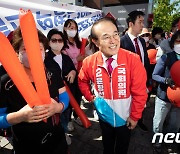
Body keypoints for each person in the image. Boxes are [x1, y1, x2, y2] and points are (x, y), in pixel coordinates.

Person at [78, 17, 148, 154]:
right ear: (95, 41)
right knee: (107, 147)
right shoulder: (89, 62)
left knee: (122, 148)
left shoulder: (133, 59)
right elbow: (82, 80)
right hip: (104, 117)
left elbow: (140, 92)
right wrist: (91, 97)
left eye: (115, 34)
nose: (113, 40)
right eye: (106, 37)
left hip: (125, 118)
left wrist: (134, 116)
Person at [0, 27, 69, 154]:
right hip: (26, 145)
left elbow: (64, 96)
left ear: (44, 52)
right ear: (16, 53)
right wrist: (19, 117)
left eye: (39, 49)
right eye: (25, 49)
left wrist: (58, 107)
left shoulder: (52, 73)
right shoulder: (5, 83)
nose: (33, 53)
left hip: (57, 141)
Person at [45, 28, 81, 144]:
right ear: (49, 41)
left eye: (60, 40)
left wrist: (73, 72)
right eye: (54, 40)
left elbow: (72, 68)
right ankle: (59, 133)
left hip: (67, 92)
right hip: (51, 95)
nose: (57, 42)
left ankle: (65, 130)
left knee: (66, 112)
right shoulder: (44, 58)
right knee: (54, 119)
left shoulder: (66, 57)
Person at [120, 10, 150, 131]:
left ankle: (139, 120)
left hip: (142, 81)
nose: (142, 25)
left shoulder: (142, 41)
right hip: (128, 84)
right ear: (131, 24)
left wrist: (147, 79)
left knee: (140, 103)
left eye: (143, 22)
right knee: (129, 107)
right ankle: (127, 125)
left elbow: (145, 60)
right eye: (140, 22)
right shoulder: (121, 42)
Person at [152, 30, 180, 153]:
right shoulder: (166, 57)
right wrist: (166, 80)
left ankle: (169, 141)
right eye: (178, 41)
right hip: (163, 97)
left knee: (174, 125)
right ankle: (157, 142)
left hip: (178, 102)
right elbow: (154, 75)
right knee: (158, 123)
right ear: (173, 43)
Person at [62, 19, 83, 130]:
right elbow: (64, 60)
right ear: (65, 28)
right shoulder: (62, 43)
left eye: (75, 28)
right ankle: (68, 120)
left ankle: (77, 115)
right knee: (70, 99)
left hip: (80, 75)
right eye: (71, 27)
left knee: (78, 97)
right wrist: (76, 59)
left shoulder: (78, 43)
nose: (73, 30)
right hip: (69, 76)